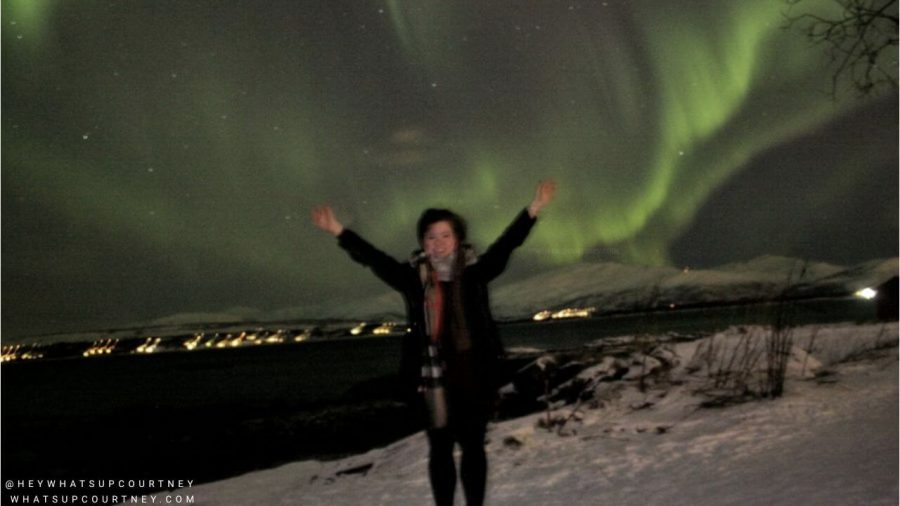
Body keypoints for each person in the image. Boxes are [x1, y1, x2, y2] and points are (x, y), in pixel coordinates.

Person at [311, 179, 556, 506]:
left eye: (445, 235)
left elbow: (506, 245)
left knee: (472, 448)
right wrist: (339, 231)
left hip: (473, 376)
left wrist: (533, 209)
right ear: (422, 241)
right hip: (431, 381)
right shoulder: (414, 278)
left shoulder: (475, 273)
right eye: (430, 236)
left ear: (457, 239)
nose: (438, 243)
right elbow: (375, 259)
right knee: (439, 450)